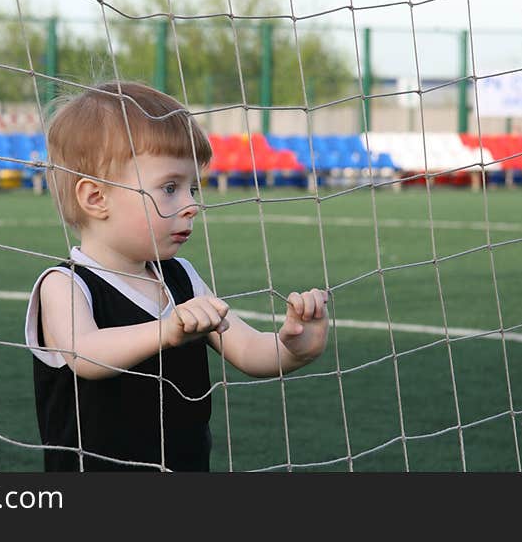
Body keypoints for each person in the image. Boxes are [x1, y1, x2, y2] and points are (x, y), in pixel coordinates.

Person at [24, 81, 328, 471]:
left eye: (193, 188)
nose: (191, 205)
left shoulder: (182, 277)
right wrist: (166, 331)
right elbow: (86, 354)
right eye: (170, 188)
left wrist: (293, 349)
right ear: (96, 198)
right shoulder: (64, 284)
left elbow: (249, 350)